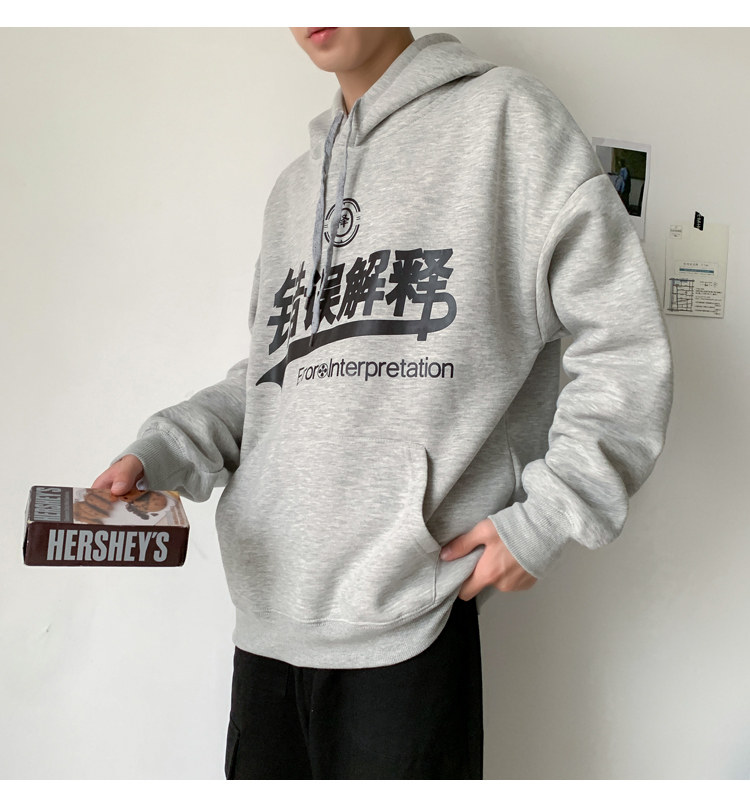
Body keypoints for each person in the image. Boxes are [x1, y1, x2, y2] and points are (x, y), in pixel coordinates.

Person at [93, 28, 673, 779]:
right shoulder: (294, 190)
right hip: (267, 623)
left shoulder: (507, 120)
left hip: (410, 623)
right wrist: (167, 446)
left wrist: (551, 515)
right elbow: (275, 379)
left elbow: (625, 340)